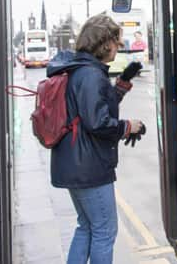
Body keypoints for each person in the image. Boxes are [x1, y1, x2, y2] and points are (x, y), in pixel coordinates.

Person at [46, 14, 144, 264]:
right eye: (117, 42)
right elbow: (98, 122)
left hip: (75, 163)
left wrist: (123, 82)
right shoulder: (90, 74)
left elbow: (100, 106)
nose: (119, 47)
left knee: (87, 227)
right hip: (88, 167)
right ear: (104, 42)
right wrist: (129, 126)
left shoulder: (82, 69)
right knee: (104, 230)